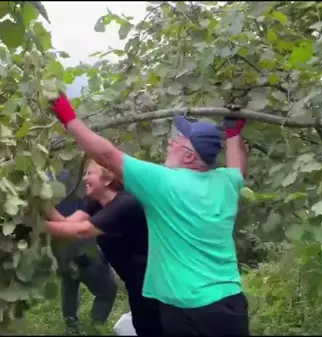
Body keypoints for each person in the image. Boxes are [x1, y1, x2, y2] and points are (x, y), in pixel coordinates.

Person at [50, 94, 250, 336]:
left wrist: (69, 117)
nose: (170, 143)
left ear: (189, 156)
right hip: (230, 302)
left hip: (188, 307)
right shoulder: (226, 182)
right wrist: (233, 134)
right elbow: (237, 168)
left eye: (178, 139)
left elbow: (107, 156)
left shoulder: (164, 182)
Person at [47, 161, 161, 336]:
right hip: (134, 278)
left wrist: (35, 225)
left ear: (107, 180)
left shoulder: (125, 204)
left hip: (153, 280)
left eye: (90, 173)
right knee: (144, 325)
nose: (85, 178)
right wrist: (40, 202)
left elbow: (79, 231)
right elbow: (66, 224)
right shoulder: (96, 202)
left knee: (153, 327)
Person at [53, 195, 117, 335]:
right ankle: (95, 327)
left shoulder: (53, 183)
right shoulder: (84, 186)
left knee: (70, 285)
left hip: (60, 251)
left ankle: (71, 326)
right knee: (107, 291)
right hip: (83, 251)